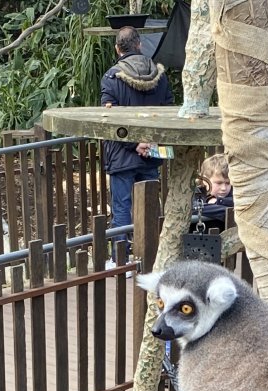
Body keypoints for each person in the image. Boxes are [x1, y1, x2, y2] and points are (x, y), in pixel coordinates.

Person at [100, 25, 173, 264]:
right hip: (151, 151)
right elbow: (167, 111)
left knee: (122, 207)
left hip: (122, 153)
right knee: (150, 204)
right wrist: (149, 141)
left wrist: (133, 143)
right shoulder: (159, 75)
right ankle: (151, 255)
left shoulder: (112, 77)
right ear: (139, 45)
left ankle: (122, 260)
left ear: (117, 49)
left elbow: (109, 118)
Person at [195, 153, 234, 228]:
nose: (224, 188)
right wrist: (227, 211)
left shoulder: (235, 194)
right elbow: (193, 209)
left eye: (228, 183)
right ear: (205, 180)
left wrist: (217, 202)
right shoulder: (196, 194)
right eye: (219, 183)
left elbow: (241, 205)